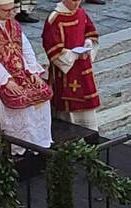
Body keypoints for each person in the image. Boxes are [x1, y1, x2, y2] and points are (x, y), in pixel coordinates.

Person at [0, 0, 53, 156]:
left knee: (42, 91)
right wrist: (6, 80)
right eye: (5, 10)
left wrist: (33, 71)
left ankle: (39, 140)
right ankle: (19, 144)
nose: (10, 14)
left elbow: (26, 49)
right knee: (20, 97)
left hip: (21, 72)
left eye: (12, 10)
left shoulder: (13, 24)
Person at [42, 0, 101, 131]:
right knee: (69, 111)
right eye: (73, 0)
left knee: (88, 110)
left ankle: (90, 135)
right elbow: (52, 47)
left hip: (83, 67)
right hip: (65, 71)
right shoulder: (54, 18)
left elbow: (90, 31)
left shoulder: (81, 12)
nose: (76, 3)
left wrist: (88, 42)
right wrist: (72, 55)